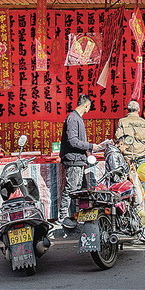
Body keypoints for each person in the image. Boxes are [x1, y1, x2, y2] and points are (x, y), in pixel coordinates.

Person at [59, 94, 97, 229]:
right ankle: (63, 217)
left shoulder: (77, 118)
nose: (89, 109)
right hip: (73, 159)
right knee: (71, 189)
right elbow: (72, 141)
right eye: (89, 106)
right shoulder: (73, 119)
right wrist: (90, 146)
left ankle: (81, 215)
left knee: (81, 190)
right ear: (86, 105)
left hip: (79, 159)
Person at [115, 100, 145, 215]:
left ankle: (128, 208)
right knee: (140, 182)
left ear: (127, 110)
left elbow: (118, 137)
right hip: (141, 157)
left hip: (127, 158)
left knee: (127, 182)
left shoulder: (122, 121)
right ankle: (139, 208)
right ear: (138, 110)